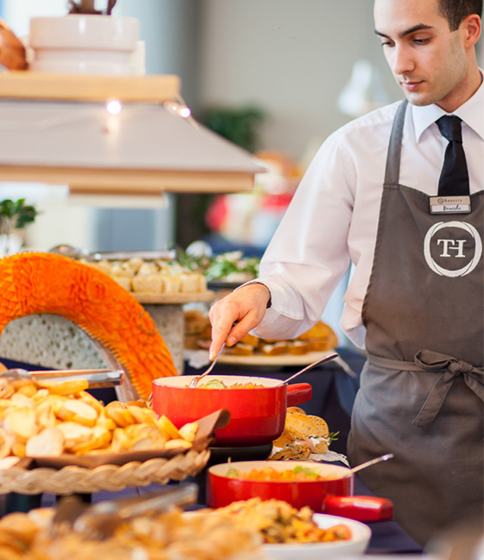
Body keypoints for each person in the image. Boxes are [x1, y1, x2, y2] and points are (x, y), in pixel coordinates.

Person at [208, 0, 483, 546]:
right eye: (387, 43)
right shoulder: (354, 149)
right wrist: (259, 294)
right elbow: (295, 277)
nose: (399, 63)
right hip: (397, 434)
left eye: (419, 39)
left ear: (469, 30)